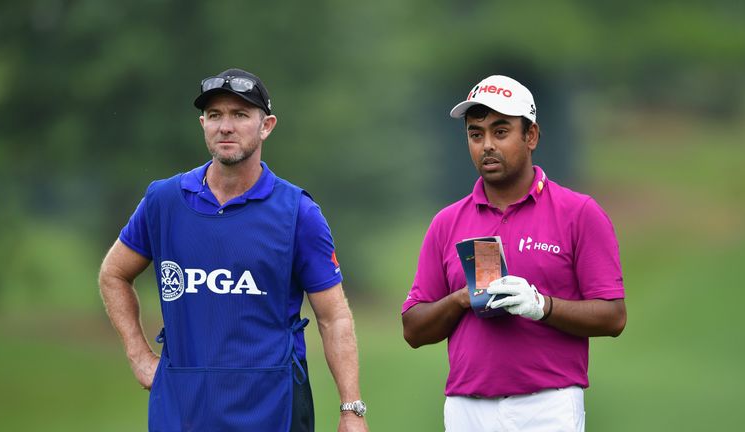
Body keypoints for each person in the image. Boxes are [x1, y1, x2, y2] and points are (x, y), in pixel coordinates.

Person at [99, 68, 368, 432]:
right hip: (181, 412)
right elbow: (113, 274)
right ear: (203, 124)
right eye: (215, 115)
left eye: (240, 115)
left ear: (266, 125)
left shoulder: (297, 212)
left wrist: (351, 409)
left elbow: (333, 317)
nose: (225, 126)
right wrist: (138, 354)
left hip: (273, 408)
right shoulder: (163, 201)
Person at [401, 75, 626, 431]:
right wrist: (460, 299)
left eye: (500, 132)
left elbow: (613, 317)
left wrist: (542, 306)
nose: (487, 145)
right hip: (466, 408)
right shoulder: (447, 222)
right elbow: (413, 329)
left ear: (531, 136)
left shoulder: (579, 213)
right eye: (476, 134)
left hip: (548, 405)